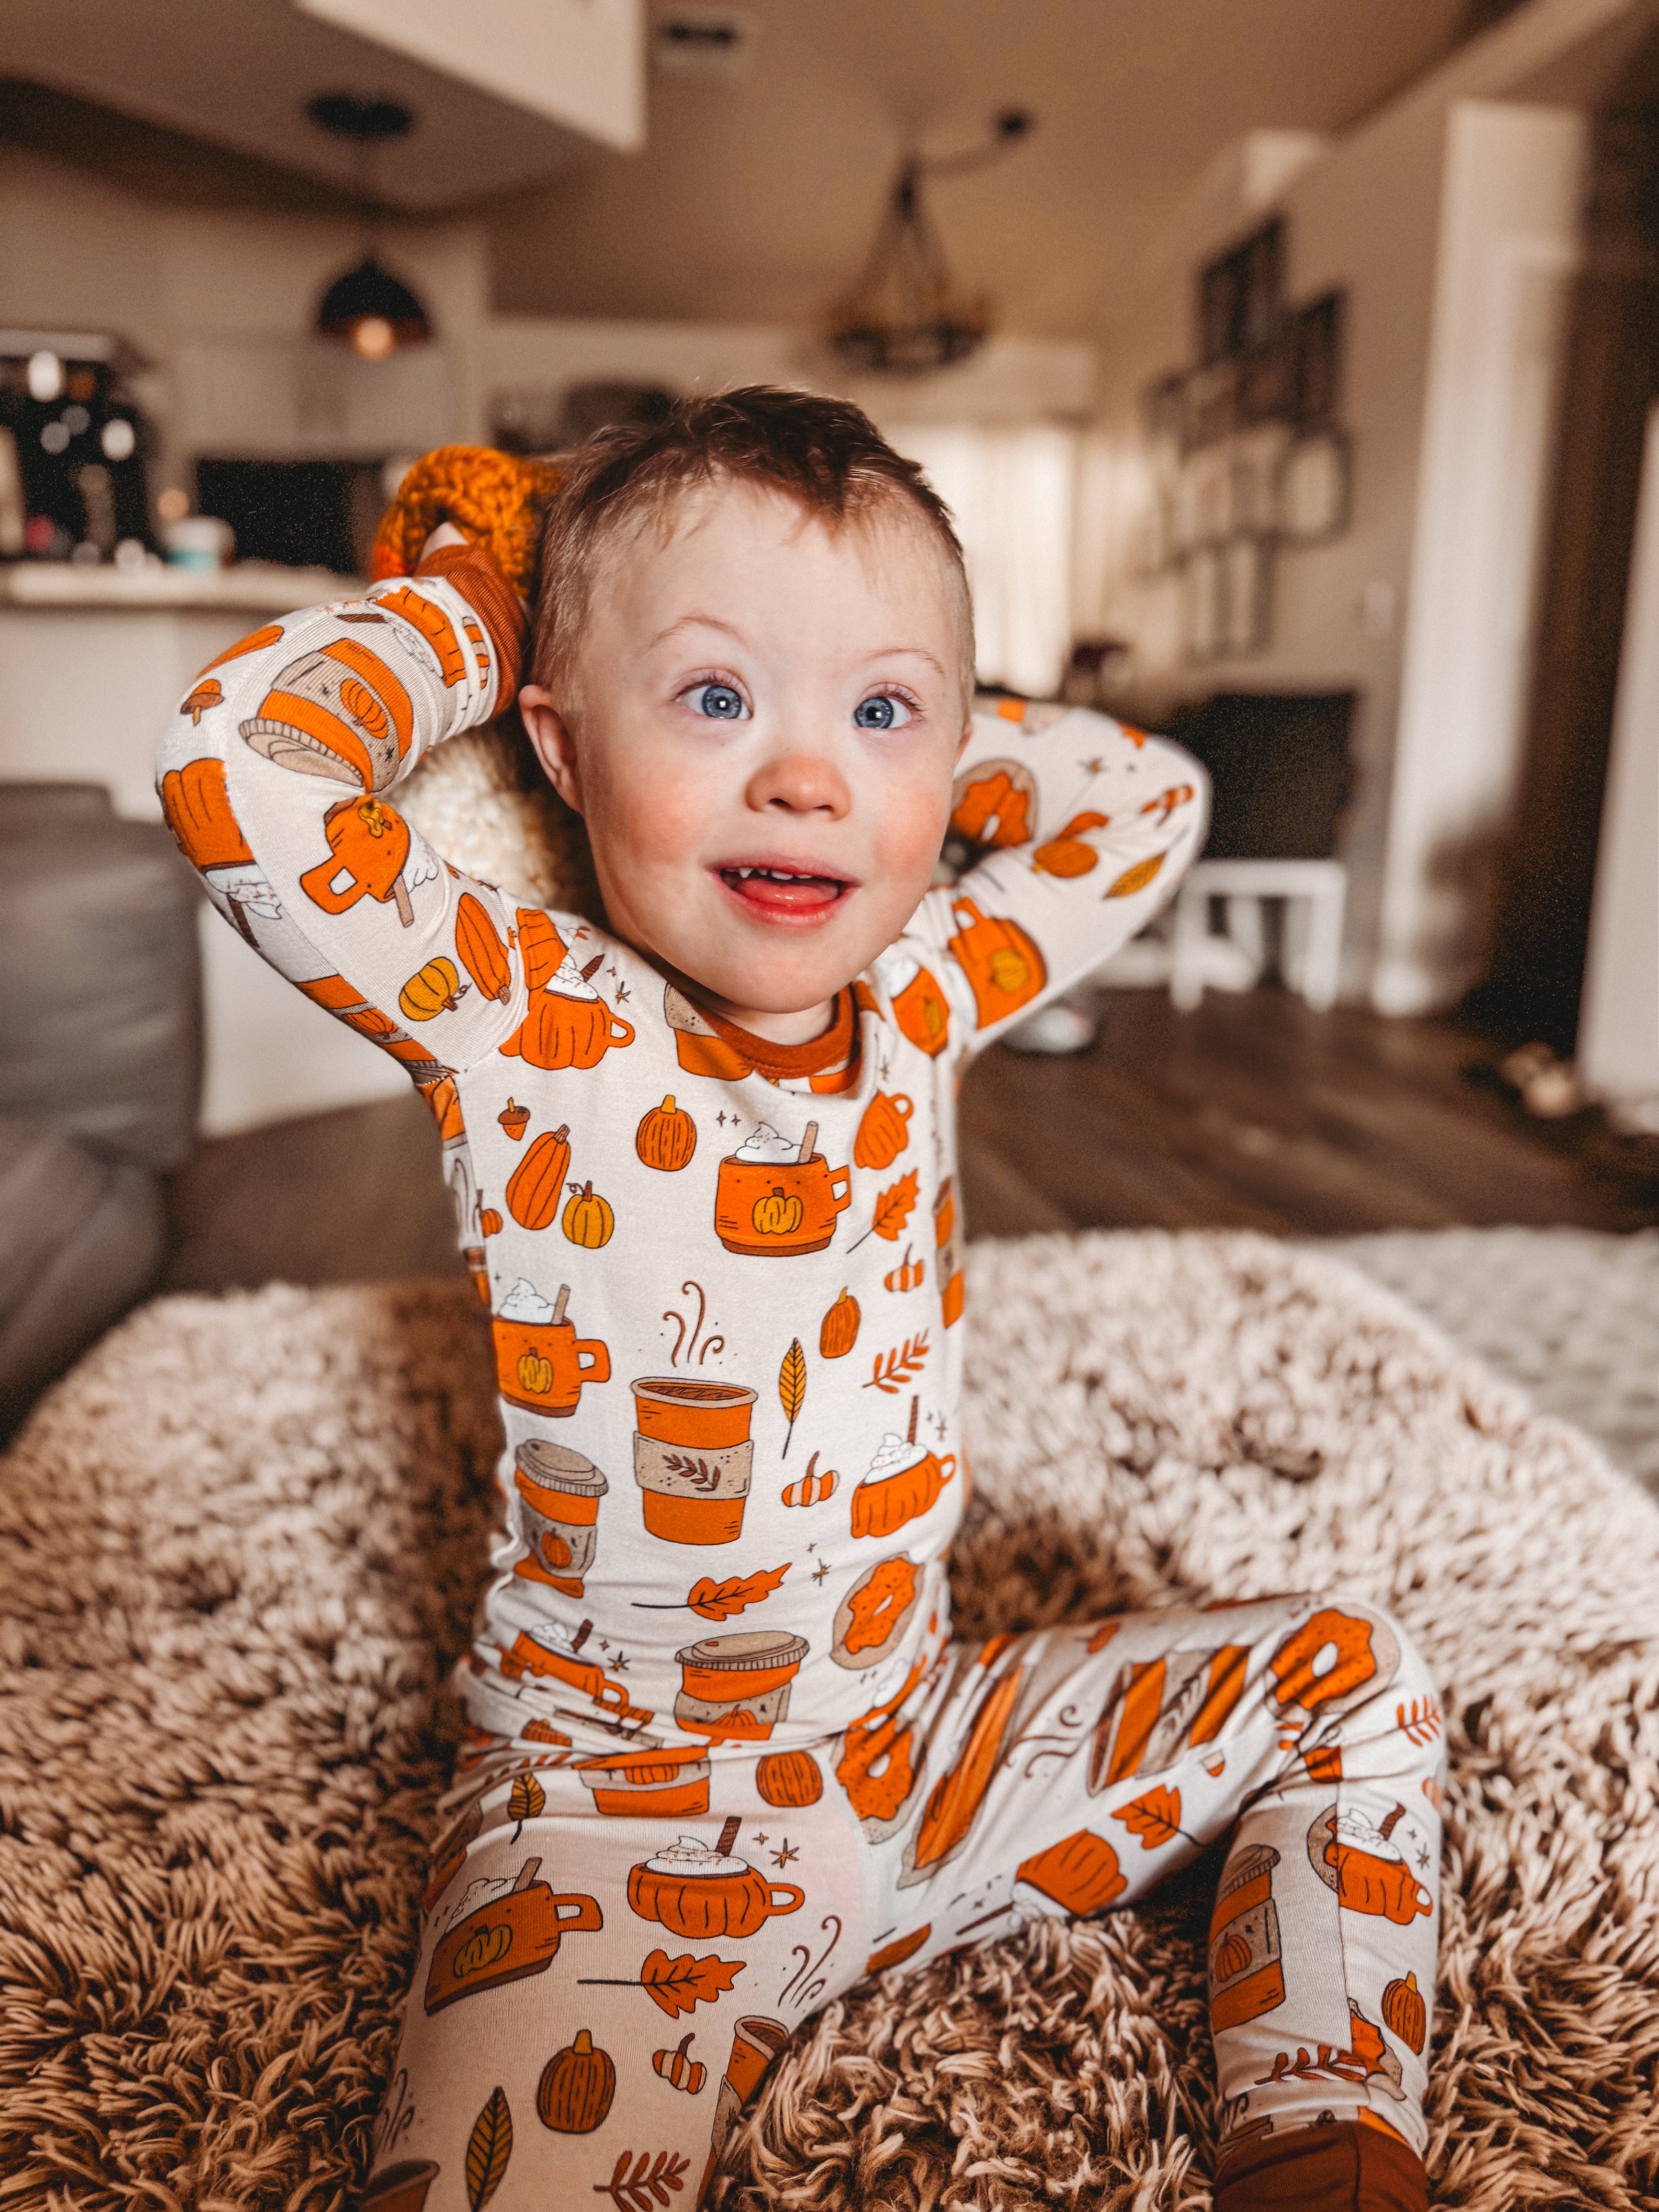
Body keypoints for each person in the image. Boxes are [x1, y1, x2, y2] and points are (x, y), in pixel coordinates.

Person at [157, 390, 1442, 2212]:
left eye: (879, 714)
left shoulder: (920, 990)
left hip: (912, 1752)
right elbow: (238, 759)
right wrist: (486, 592)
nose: (810, 775)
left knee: (1352, 1679)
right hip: (612, 1821)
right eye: (713, 698)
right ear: (562, 746)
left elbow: (1140, 798)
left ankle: (1322, 2133)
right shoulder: (518, 1012)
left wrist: (896, 715)